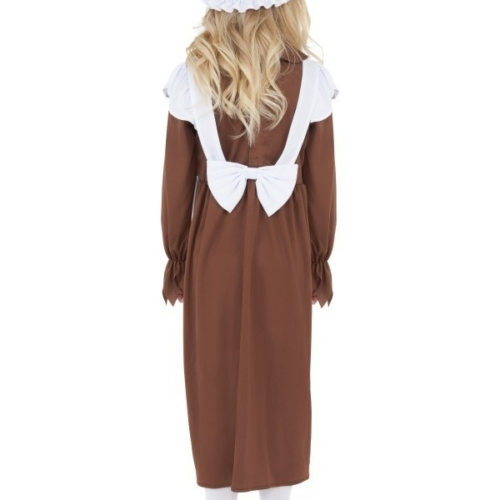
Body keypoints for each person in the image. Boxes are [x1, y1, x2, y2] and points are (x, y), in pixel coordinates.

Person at [160, 0, 339, 497]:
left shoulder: (193, 75)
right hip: (284, 247)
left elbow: (176, 183)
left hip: (213, 246)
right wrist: (317, 259)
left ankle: (217, 487)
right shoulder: (310, 79)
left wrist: (177, 256)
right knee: (282, 376)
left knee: (213, 375)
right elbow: (322, 185)